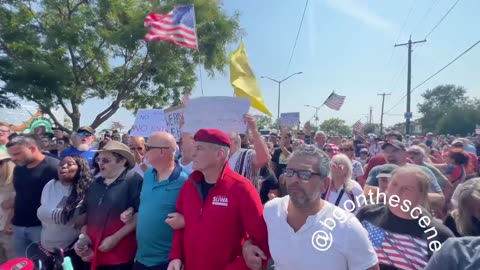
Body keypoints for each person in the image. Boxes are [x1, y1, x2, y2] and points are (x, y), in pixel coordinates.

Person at [244, 145, 379, 270]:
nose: (294, 180)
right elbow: (254, 237)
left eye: (304, 174)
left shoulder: (347, 227)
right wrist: (246, 246)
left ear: (324, 184)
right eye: (290, 172)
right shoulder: (272, 210)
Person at [167, 129, 269, 270]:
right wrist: (176, 257)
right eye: (194, 147)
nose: (193, 153)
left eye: (199, 148)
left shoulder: (242, 189)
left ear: (219, 154)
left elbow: (262, 241)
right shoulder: (189, 185)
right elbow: (178, 224)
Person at [357, 166, 453, 269]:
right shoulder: (367, 214)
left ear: (421, 196)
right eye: (394, 184)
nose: (397, 192)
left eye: (407, 188)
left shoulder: (440, 236)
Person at [74, 140, 142, 270]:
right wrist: (84, 238)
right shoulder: (94, 183)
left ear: (122, 161)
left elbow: (139, 214)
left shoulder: (133, 180)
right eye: (98, 160)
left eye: (105, 160)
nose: (100, 163)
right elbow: (84, 214)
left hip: (118, 256)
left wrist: (115, 238)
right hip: (91, 253)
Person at [133, 132, 189, 270]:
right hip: (140, 259)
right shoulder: (148, 175)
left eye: (148, 147)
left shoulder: (185, 181)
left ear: (162, 152)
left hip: (167, 262)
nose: (144, 151)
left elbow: (197, 217)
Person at [6, 135, 59, 258]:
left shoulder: (54, 167)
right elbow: (18, 196)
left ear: (33, 148)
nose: (13, 158)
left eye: (17, 154)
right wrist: (10, 220)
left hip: (42, 228)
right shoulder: (18, 169)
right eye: (11, 155)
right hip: (18, 226)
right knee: (20, 264)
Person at [37, 156, 94, 269]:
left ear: (80, 168)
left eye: (70, 164)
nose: (63, 166)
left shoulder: (88, 190)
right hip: (46, 249)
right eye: (61, 164)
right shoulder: (50, 185)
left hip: (71, 251)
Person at [0, 151, 15, 262]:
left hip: (8, 229)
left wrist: (9, 223)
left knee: (11, 260)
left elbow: (23, 201)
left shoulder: (15, 181)